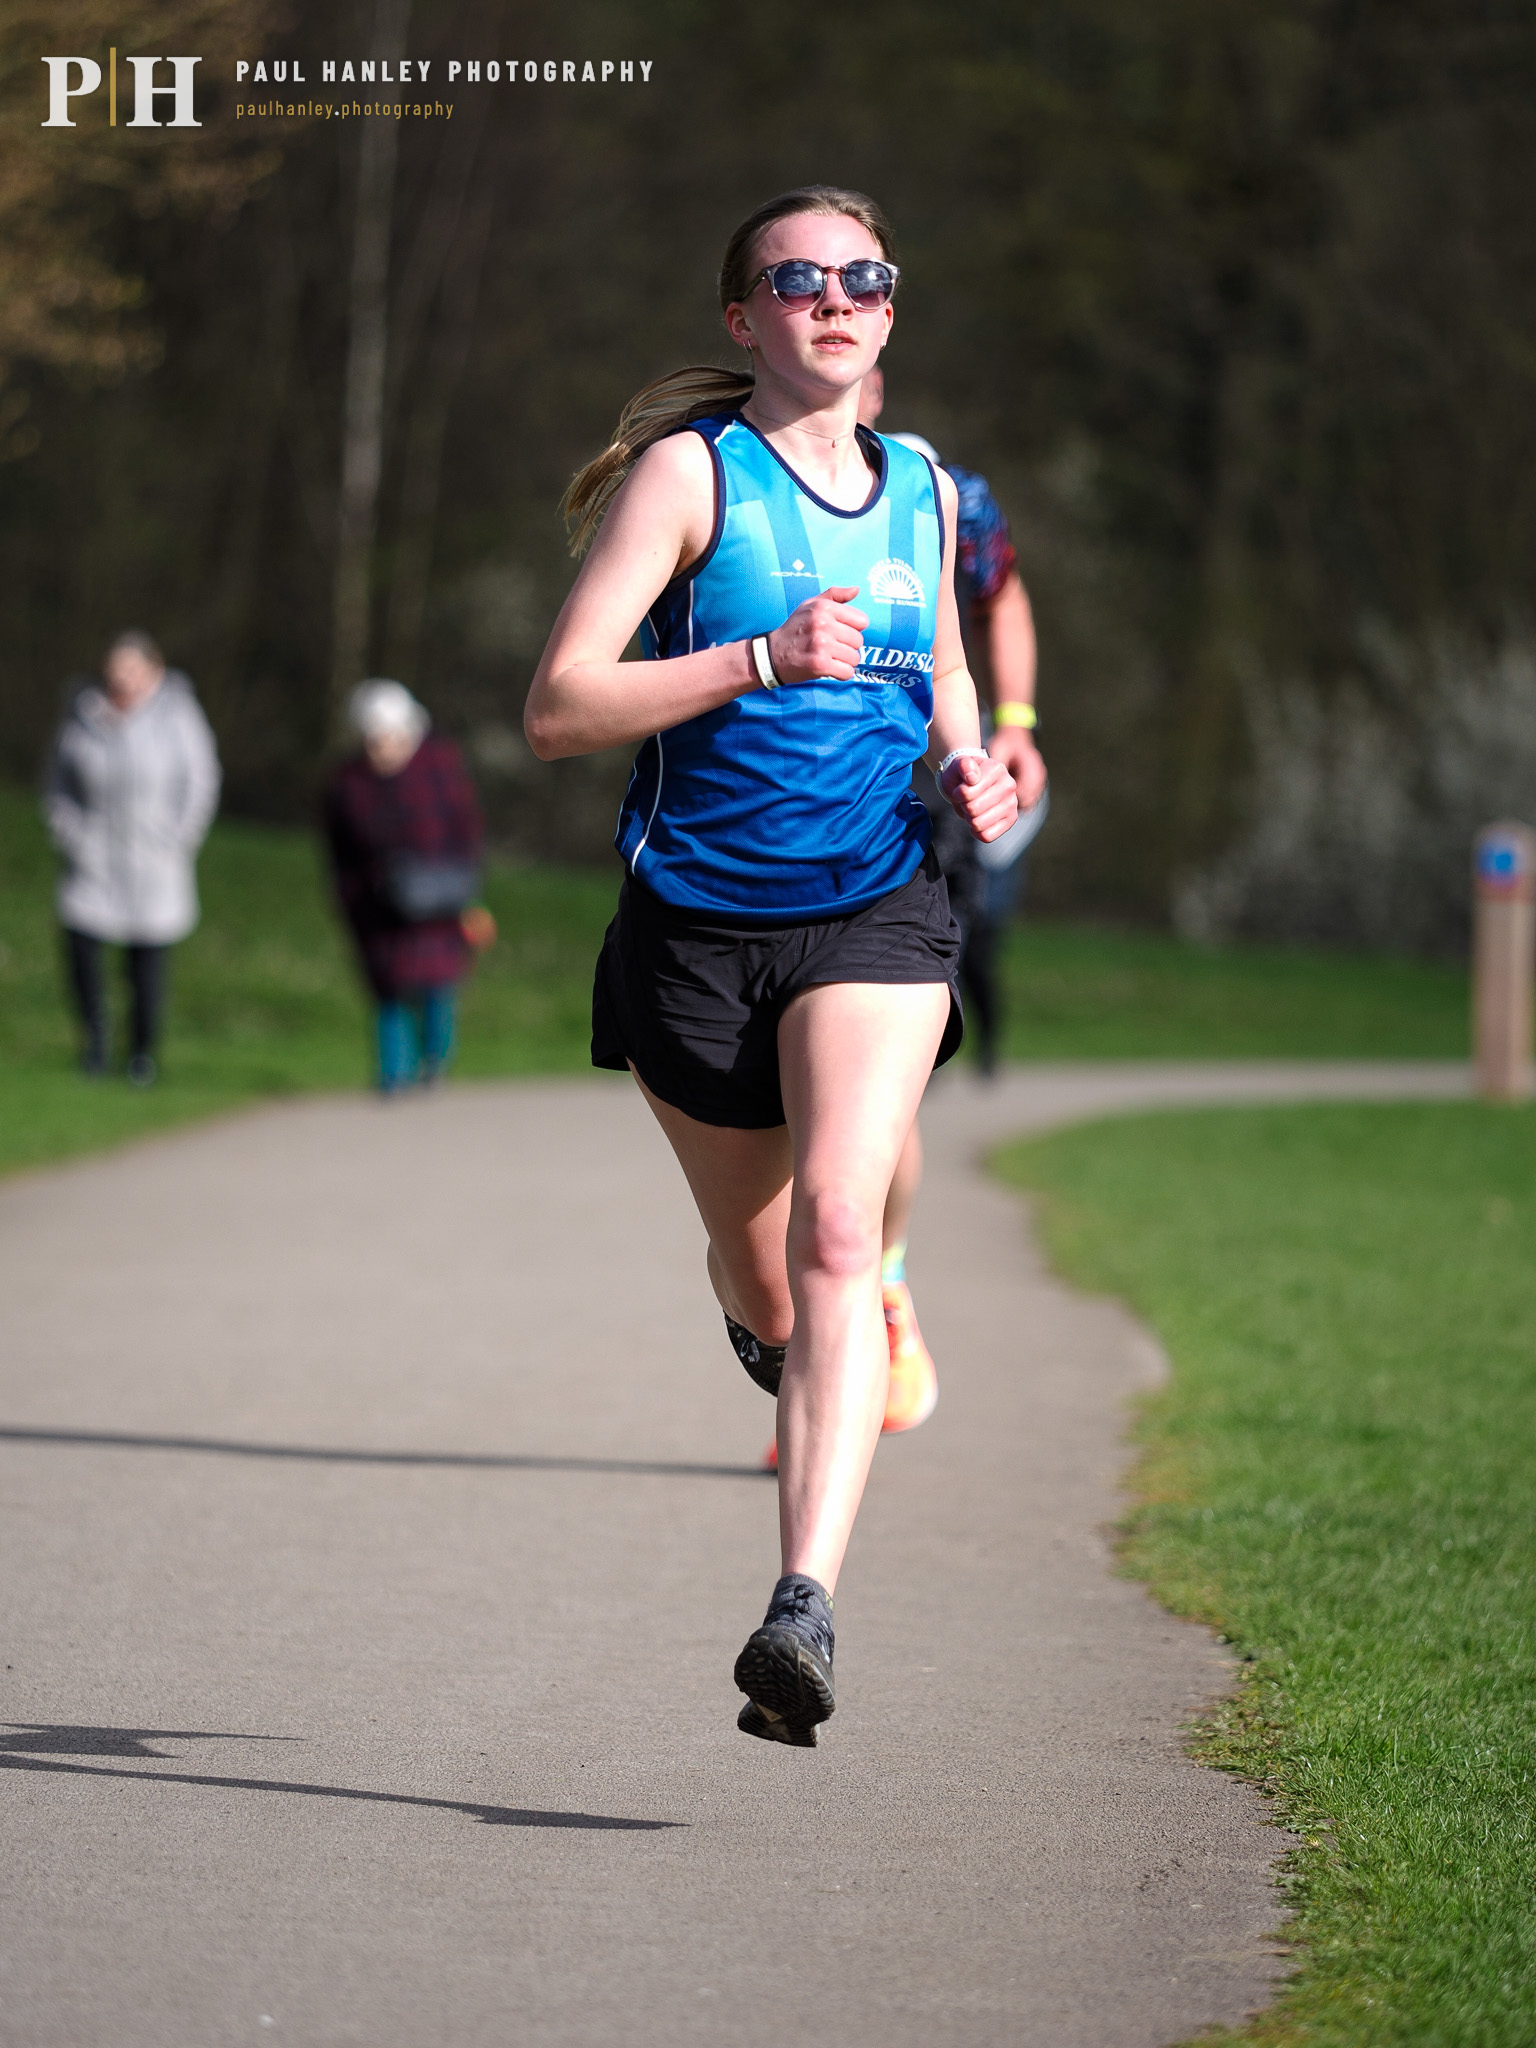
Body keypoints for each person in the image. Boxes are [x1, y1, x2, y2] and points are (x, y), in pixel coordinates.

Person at [524, 185, 1018, 1747]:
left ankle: (801, 1605)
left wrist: (978, 768)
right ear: (744, 319)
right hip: (693, 928)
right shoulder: (693, 477)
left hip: (874, 905)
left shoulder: (927, 486)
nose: (836, 296)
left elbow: (940, 657)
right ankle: (822, 1333)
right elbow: (560, 706)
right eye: (797, 278)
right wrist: (752, 658)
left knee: (833, 1228)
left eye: (864, 274)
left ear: (889, 306)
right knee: (773, 1291)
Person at [850, 371, 1050, 1444]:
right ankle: (834, 1318)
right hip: (773, 831)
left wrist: (1010, 721)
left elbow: (1003, 591)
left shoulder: (946, 493)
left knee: (877, 1094)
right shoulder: (732, 475)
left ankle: (875, 1288)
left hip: (924, 805)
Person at [44, 630, 221, 1085]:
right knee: (81, 951)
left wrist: (179, 839)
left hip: (155, 861)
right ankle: (95, 1044)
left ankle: (142, 1053)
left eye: (131, 669)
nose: (121, 678)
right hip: (92, 859)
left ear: (153, 672)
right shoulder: (81, 712)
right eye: (114, 669)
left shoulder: (177, 714)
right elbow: (56, 783)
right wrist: (70, 834)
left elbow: (201, 780)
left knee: (145, 964)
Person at [322, 680, 489, 1094]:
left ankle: (434, 1062)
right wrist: (351, 898)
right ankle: (392, 1075)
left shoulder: (440, 767)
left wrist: (464, 886)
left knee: (437, 987)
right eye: (374, 740)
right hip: (377, 907)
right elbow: (338, 852)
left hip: (440, 902)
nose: (383, 749)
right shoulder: (347, 785)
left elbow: (466, 831)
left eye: (392, 738)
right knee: (389, 991)